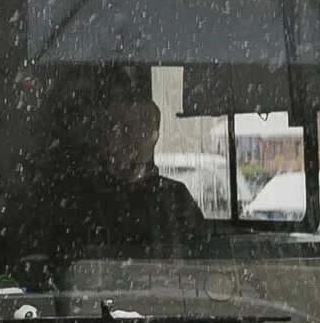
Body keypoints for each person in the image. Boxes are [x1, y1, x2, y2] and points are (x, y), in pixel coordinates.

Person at [36, 87, 208, 256]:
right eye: (118, 123)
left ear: (155, 135)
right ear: (104, 134)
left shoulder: (176, 197)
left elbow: (199, 258)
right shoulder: (81, 197)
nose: (130, 133)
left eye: (142, 123)